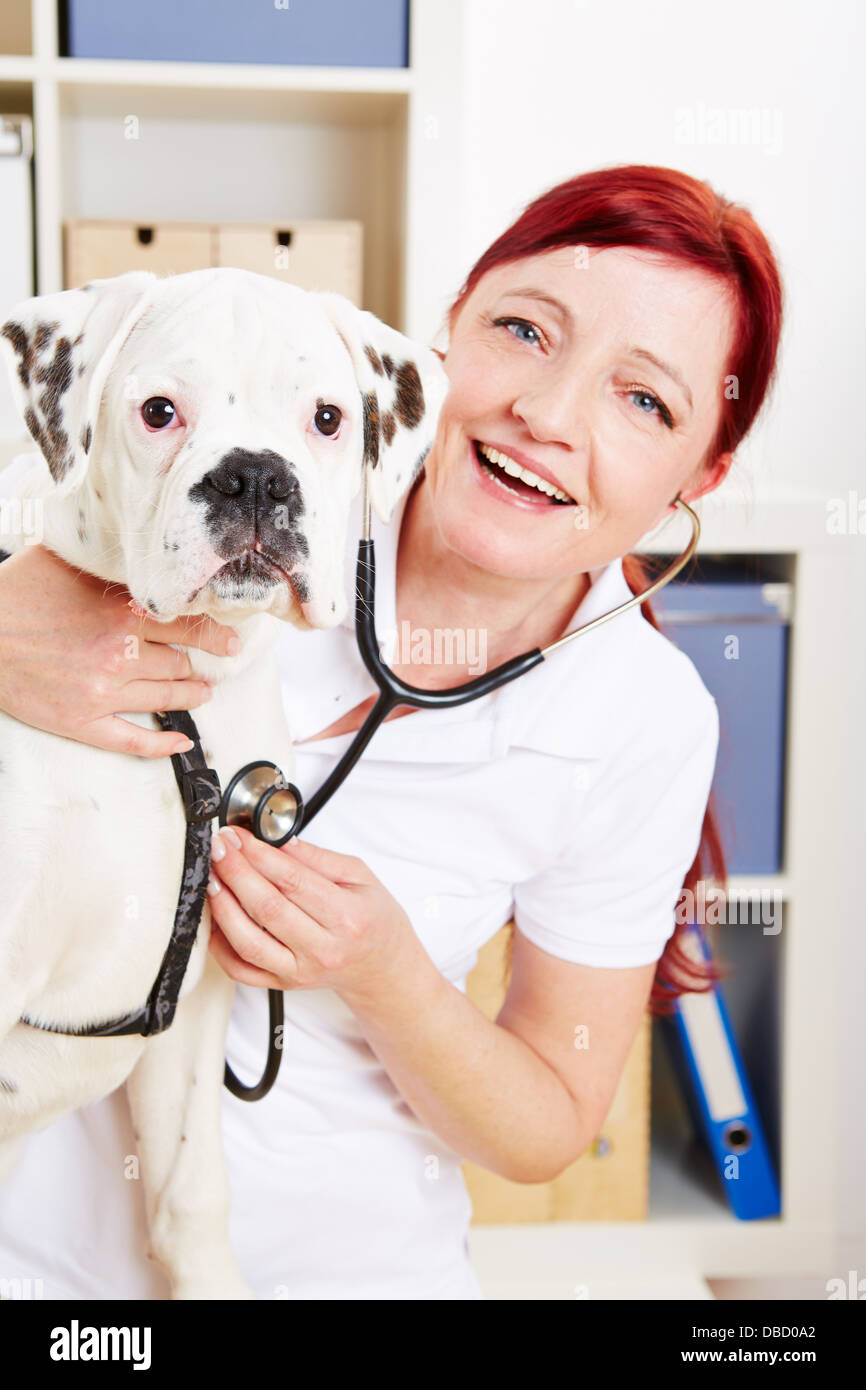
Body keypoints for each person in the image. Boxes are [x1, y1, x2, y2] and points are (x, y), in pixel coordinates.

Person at [0, 165, 783, 1300]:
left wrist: (387, 975)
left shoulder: (642, 717)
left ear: (698, 470)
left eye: (642, 400)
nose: (548, 414)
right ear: (448, 327)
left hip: (349, 1273)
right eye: (524, 331)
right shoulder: (208, 469)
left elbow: (547, 1124)